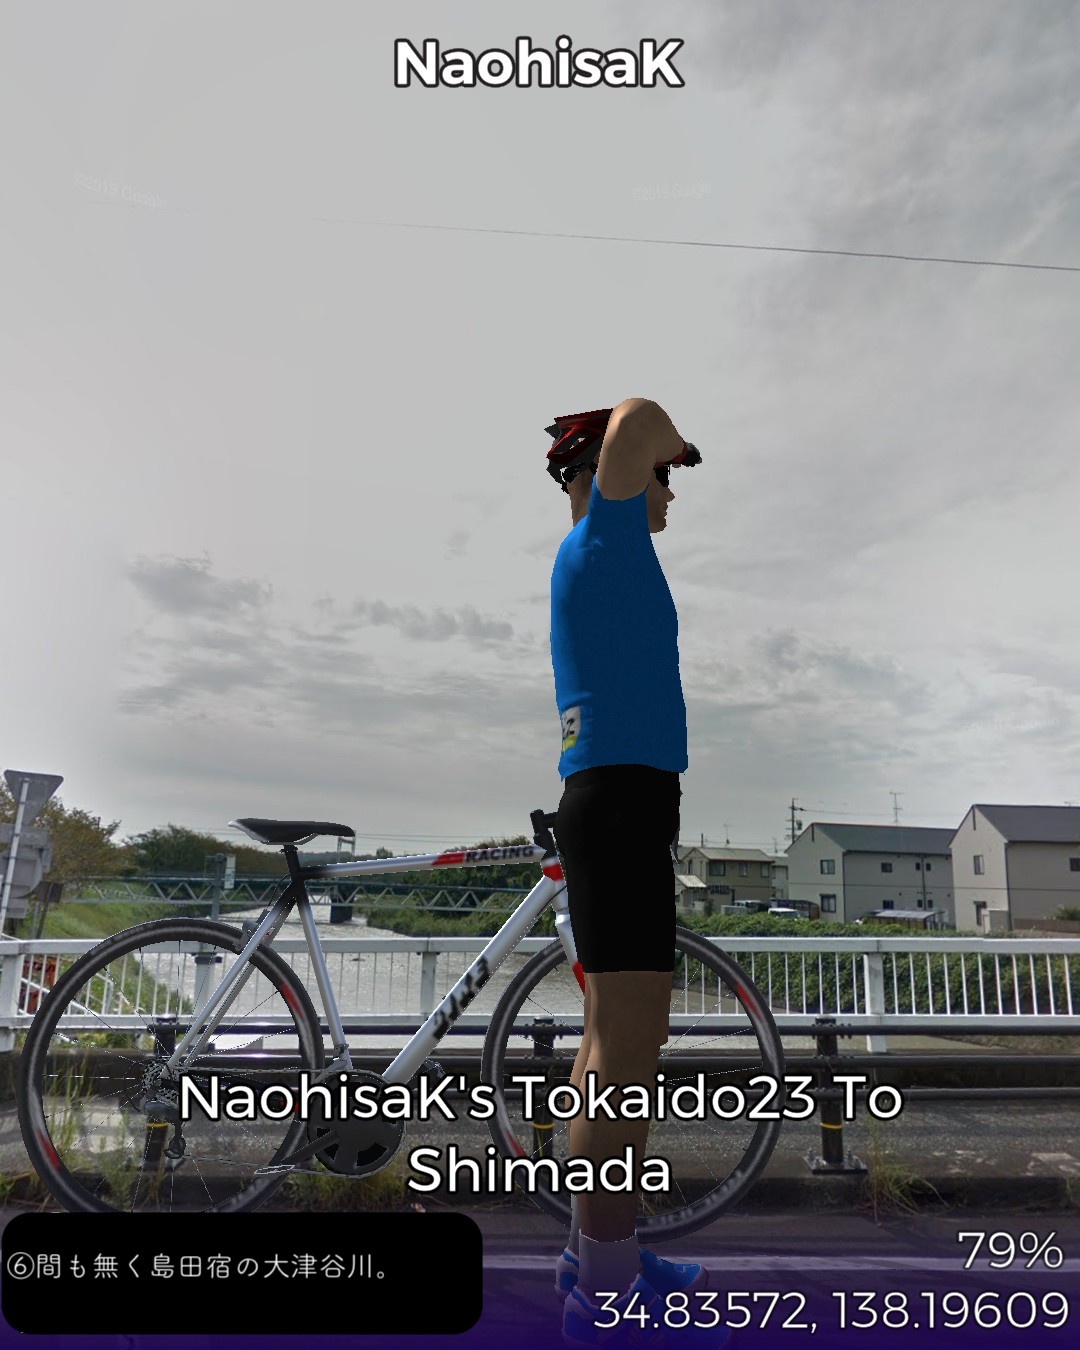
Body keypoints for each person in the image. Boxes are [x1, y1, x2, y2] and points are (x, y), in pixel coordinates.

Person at [548, 399, 729, 1347]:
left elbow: (629, 438)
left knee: (606, 1046)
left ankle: (597, 1254)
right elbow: (637, 417)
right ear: (604, 477)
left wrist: (661, 458)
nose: (670, 491)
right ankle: (606, 1294)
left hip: (617, 803)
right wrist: (673, 444)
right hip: (621, 805)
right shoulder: (605, 538)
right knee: (627, 1053)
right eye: (664, 478)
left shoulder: (597, 554)